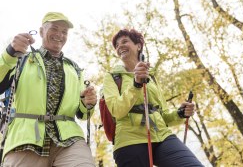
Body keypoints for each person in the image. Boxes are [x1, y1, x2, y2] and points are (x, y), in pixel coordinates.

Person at [0, 12, 96, 167]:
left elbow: (83, 113)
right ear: (41, 31)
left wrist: (88, 103)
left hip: (69, 140)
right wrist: (10, 52)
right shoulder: (21, 59)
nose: (59, 35)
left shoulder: (75, 69)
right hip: (26, 139)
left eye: (64, 32)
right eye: (54, 28)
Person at [102, 29, 204, 167]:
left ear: (138, 45)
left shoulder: (152, 78)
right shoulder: (112, 77)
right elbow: (117, 110)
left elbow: (163, 115)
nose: (120, 46)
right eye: (117, 45)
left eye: (125, 41)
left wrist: (180, 113)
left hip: (162, 136)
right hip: (129, 140)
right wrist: (136, 84)